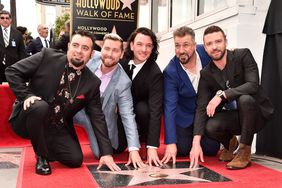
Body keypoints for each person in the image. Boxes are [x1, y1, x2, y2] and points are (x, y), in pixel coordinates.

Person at [5, 30, 121, 176]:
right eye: (75, 45)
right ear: (68, 46)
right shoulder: (47, 56)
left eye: (85, 48)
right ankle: (42, 156)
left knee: (75, 160)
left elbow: (97, 117)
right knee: (40, 106)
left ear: (91, 54)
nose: (79, 51)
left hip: (56, 126)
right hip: (28, 117)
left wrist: (106, 153)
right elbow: (12, 71)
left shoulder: (92, 83)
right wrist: (26, 95)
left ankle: (45, 143)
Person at [189, 25, 274, 170]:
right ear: (205, 48)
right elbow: (201, 107)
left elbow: (253, 85)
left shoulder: (243, 55)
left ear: (226, 42)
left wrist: (223, 95)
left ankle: (244, 151)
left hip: (257, 114)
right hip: (237, 117)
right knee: (210, 126)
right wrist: (195, 143)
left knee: (244, 98)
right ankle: (230, 143)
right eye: (209, 44)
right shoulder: (206, 73)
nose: (214, 47)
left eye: (218, 41)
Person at [74, 33, 146, 169]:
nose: (110, 54)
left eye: (115, 50)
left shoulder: (123, 83)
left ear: (121, 54)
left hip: (102, 122)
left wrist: (134, 149)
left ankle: (88, 123)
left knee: (99, 153)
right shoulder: (89, 61)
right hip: (77, 109)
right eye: (107, 49)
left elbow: (128, 115)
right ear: (101, 49)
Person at [161, 26, 220, 164]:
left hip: (207, 114)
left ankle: (226, 138)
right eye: (177, 45)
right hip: (185, 117)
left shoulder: (206, 53)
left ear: (194, 45)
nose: (181, 50)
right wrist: (170, 143)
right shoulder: (170, 71)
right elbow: (169, 106)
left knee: (211, 149)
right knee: (181, 149)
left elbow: (223, 54)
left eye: (186, 45)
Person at [120, 27, 163, 166]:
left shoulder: (155, 73)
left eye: (149, 45)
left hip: (142, 114)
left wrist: (152, 146)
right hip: (121, 114)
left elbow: (156, 110)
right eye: (139, 44)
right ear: (131, 45)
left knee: (143, 108)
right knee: (116, 148)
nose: (144, 49)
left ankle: (143, 142)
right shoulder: (121, 63)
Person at [0, 10, 26, 84]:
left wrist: (22, 68)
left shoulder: (18, 34)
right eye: (2, 18)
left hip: (13, 68)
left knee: (11, 91)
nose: (5, 20)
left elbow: (22, 52)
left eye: (7, 18)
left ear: (10, 20)